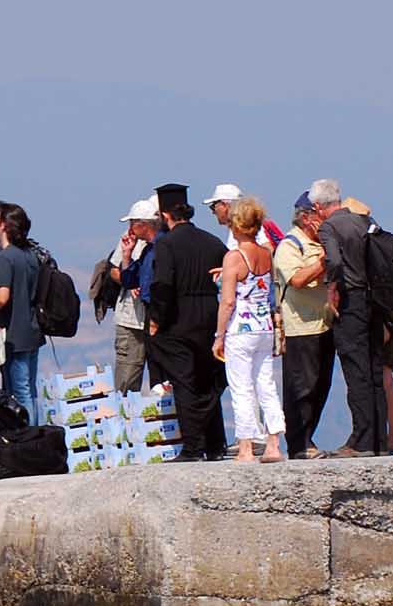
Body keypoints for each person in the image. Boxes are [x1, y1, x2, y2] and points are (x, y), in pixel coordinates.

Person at [146, 183, 229, 462]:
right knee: (208, 381)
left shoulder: (166, 244)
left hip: (179, 316)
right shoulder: (212, 241)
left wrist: (157, 319)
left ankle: (192, 447)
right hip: (209, 314)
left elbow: (163, 284)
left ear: (164, 214)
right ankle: (216, 445)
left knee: (184, 382)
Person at [312, 179, 387, 457]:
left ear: (319, 207)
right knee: (373, 370)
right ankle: (379, 439)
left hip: (351, 300)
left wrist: (332, 289)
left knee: (356, 372)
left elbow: (334, 260)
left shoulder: (329, 227)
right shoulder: (362, 221)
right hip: (374, 300)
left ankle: (361, 441)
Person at [213, 198, 285, 463]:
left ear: (236, 226)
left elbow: (228, 301)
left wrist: (219, 335)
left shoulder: (233, 257)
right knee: (266, 384)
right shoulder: (266, 253)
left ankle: (245, 447)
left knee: (241, 387)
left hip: (240, 329)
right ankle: (274, 443)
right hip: (264, 327)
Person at [273, 191, 334, 459]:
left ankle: (309, 438)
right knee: (301, 387)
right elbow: (297, 280)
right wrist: (324, 261)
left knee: (321, 384)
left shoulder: (323, 243)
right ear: (307, 217)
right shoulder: (290, 246)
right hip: (301, 327)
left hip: (325, 324)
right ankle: (299, 443)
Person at [345, 197, 393, 454]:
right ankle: (392, 436)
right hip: (392, 314)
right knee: (386, 376)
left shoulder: (365, 245)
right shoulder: (386, 242)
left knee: (379, 378)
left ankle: (387, 437)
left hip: (377, 314)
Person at [0, 205, 46, 424]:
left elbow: (2, 297)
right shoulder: (30, 254)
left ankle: (28, 440)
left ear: (3, 225)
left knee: (20, 392)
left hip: (14, 333)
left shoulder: (6, 257)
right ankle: (35, 434)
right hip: (32, 330)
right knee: (30, 390)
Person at [108, 198, 158, 394]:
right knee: (127, 381)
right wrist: (130, 283)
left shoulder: (163, 242)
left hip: (155, 321)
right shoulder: (130, 238)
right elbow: (113, 269)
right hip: (131, 319)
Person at [205, 183, 284, 249]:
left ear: (225, 205)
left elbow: (268, 248)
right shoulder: (237, 228)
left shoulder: (247, 225)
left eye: (213, 206)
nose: (213, 212)